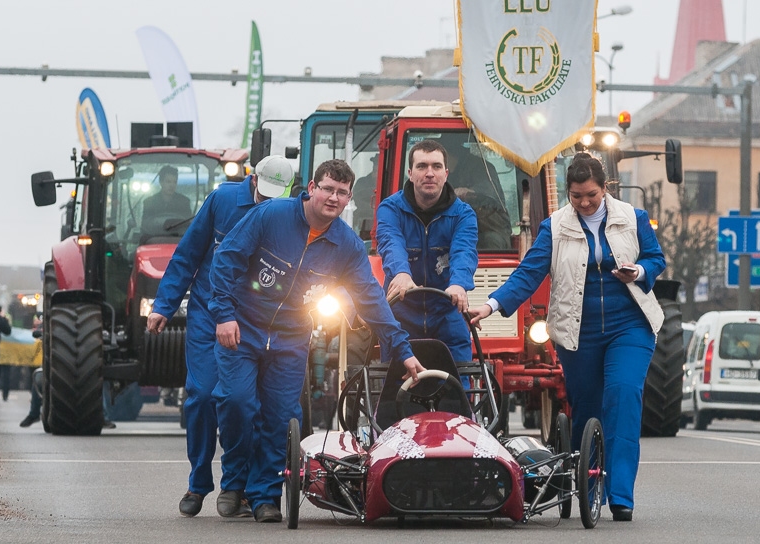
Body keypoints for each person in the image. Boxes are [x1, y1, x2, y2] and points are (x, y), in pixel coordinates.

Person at [208, 158, 425, 523]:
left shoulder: (348, 246)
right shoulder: (271, 216)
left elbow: (371, 298)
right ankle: (234, 481)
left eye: (341, 193)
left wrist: (402, 350)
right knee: (236, 403)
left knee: (281, 417)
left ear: (348, 199)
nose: (333, 197)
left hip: (292, 338)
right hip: (242, 330)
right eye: (327, 188)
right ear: (311, 188)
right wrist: (224, 315)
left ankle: (264, 496)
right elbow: (226, 260)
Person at [467, 152, 666, 523]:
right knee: (585, 409)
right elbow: (529, 273)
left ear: (604, 188)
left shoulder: (632, 218)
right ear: (569, 194)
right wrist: (492, 305)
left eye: (591, 194)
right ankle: (584, 483)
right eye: (577, 196)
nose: (585, 202)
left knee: (622, 395)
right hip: (578, 332)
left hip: (630, 325)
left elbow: (656, 259)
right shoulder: (555, 227)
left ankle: (620, 494)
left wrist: (639, 270)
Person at [145, 154, 295, 518]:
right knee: (200, 395)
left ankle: (241, 486)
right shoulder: (223, 200)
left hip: (254, 317)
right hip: (208, 313)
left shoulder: (287, 212)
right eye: (263, 193)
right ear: (253, 180)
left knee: (245, 404)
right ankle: (198, 483)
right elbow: (188, 254)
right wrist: (164, 305)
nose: (267, 203)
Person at [376, 139, 478, 364]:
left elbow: (465, 252)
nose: (429, 173)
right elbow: (390, 242)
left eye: (436, 166)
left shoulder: (463, 214)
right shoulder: (390, 209)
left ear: (446, 174)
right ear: (410, 174)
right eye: (422, 166)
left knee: (458, 389)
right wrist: (401, 273)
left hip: (446, 310)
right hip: (401, 309)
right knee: (395, 389)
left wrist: (459, 283)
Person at [141, 165, 192, 239]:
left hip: (179, 240)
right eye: (168, 182)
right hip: (153, 240)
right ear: (161, 182)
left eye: (174, 182)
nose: (172, 185)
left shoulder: (184, 202)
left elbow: (188, 227)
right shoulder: (149, 202)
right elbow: (145, 228)